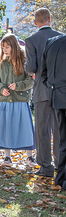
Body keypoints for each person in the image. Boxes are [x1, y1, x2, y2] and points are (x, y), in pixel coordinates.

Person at [25, 8, 61, 177]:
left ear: (35, 22)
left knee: (42, 130)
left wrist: (28, 69)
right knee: (60, 129)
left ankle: (46, 167)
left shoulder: (31, 40)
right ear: (50, 19)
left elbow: (31, 67)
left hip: (41, 89)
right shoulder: (62, 38)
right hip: (61, 89)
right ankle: (62, 165)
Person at [0, 33, 36, 167]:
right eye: (3, 47)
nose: (5, 50)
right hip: (5, 101)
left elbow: (30, 80)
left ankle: (29, 157)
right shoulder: (0, 64)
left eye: (7, 47)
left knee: (25, 128)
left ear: (14, 47)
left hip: (20, 101)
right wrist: (1, 89)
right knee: (5, 128)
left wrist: (18, 86)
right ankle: (7, 157)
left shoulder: (24, 63)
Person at [41, 34, 66, 190]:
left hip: (56, 96)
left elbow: (44, 74)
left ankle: (61, 179)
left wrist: (53, 89)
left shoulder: (51, 42)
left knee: (63, 140)